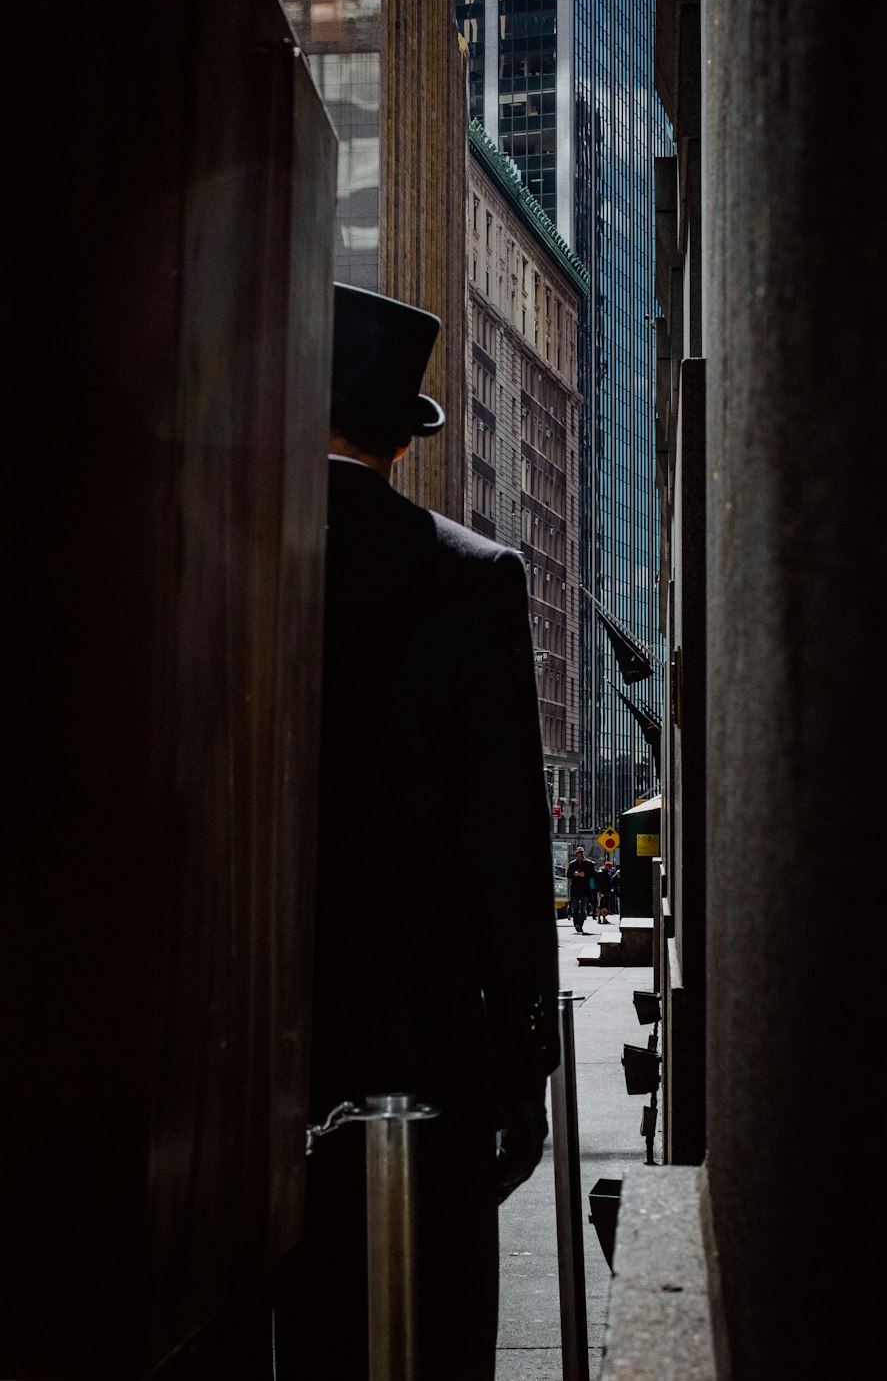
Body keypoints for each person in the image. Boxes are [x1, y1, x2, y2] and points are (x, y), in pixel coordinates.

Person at [273, 283, 560, 1381]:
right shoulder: (472, 575)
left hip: (250, 1038)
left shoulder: (229, 559)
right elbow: (503, 847)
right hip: (421, 1047)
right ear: (403, 438)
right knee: (425, 1327)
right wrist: (521, 1067)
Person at [567, 846, 598, 933]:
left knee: (583, 909)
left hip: (585, 889)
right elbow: (568, 875)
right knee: (575, 908)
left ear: (583, 854)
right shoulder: (572, 864)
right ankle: (576, 924)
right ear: (576, 855)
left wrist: (585, 875)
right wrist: (575, 874)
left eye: (581, 854)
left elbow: (593, 875)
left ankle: (580, 924)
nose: (579, 856)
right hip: (575, 889)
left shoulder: (588, 864)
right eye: (578, 854)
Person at [596, 857, 618, 923]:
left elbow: (607, 883)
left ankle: (602, 918)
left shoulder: (605, 872)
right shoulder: (601, 872)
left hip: (606, 891)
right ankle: (601, 918)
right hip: (602, 891)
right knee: (602, 905)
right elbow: (599, 883)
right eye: (609, 867)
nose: (609, 869)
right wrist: (600, 891)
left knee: (603, 905)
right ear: (606, 866)